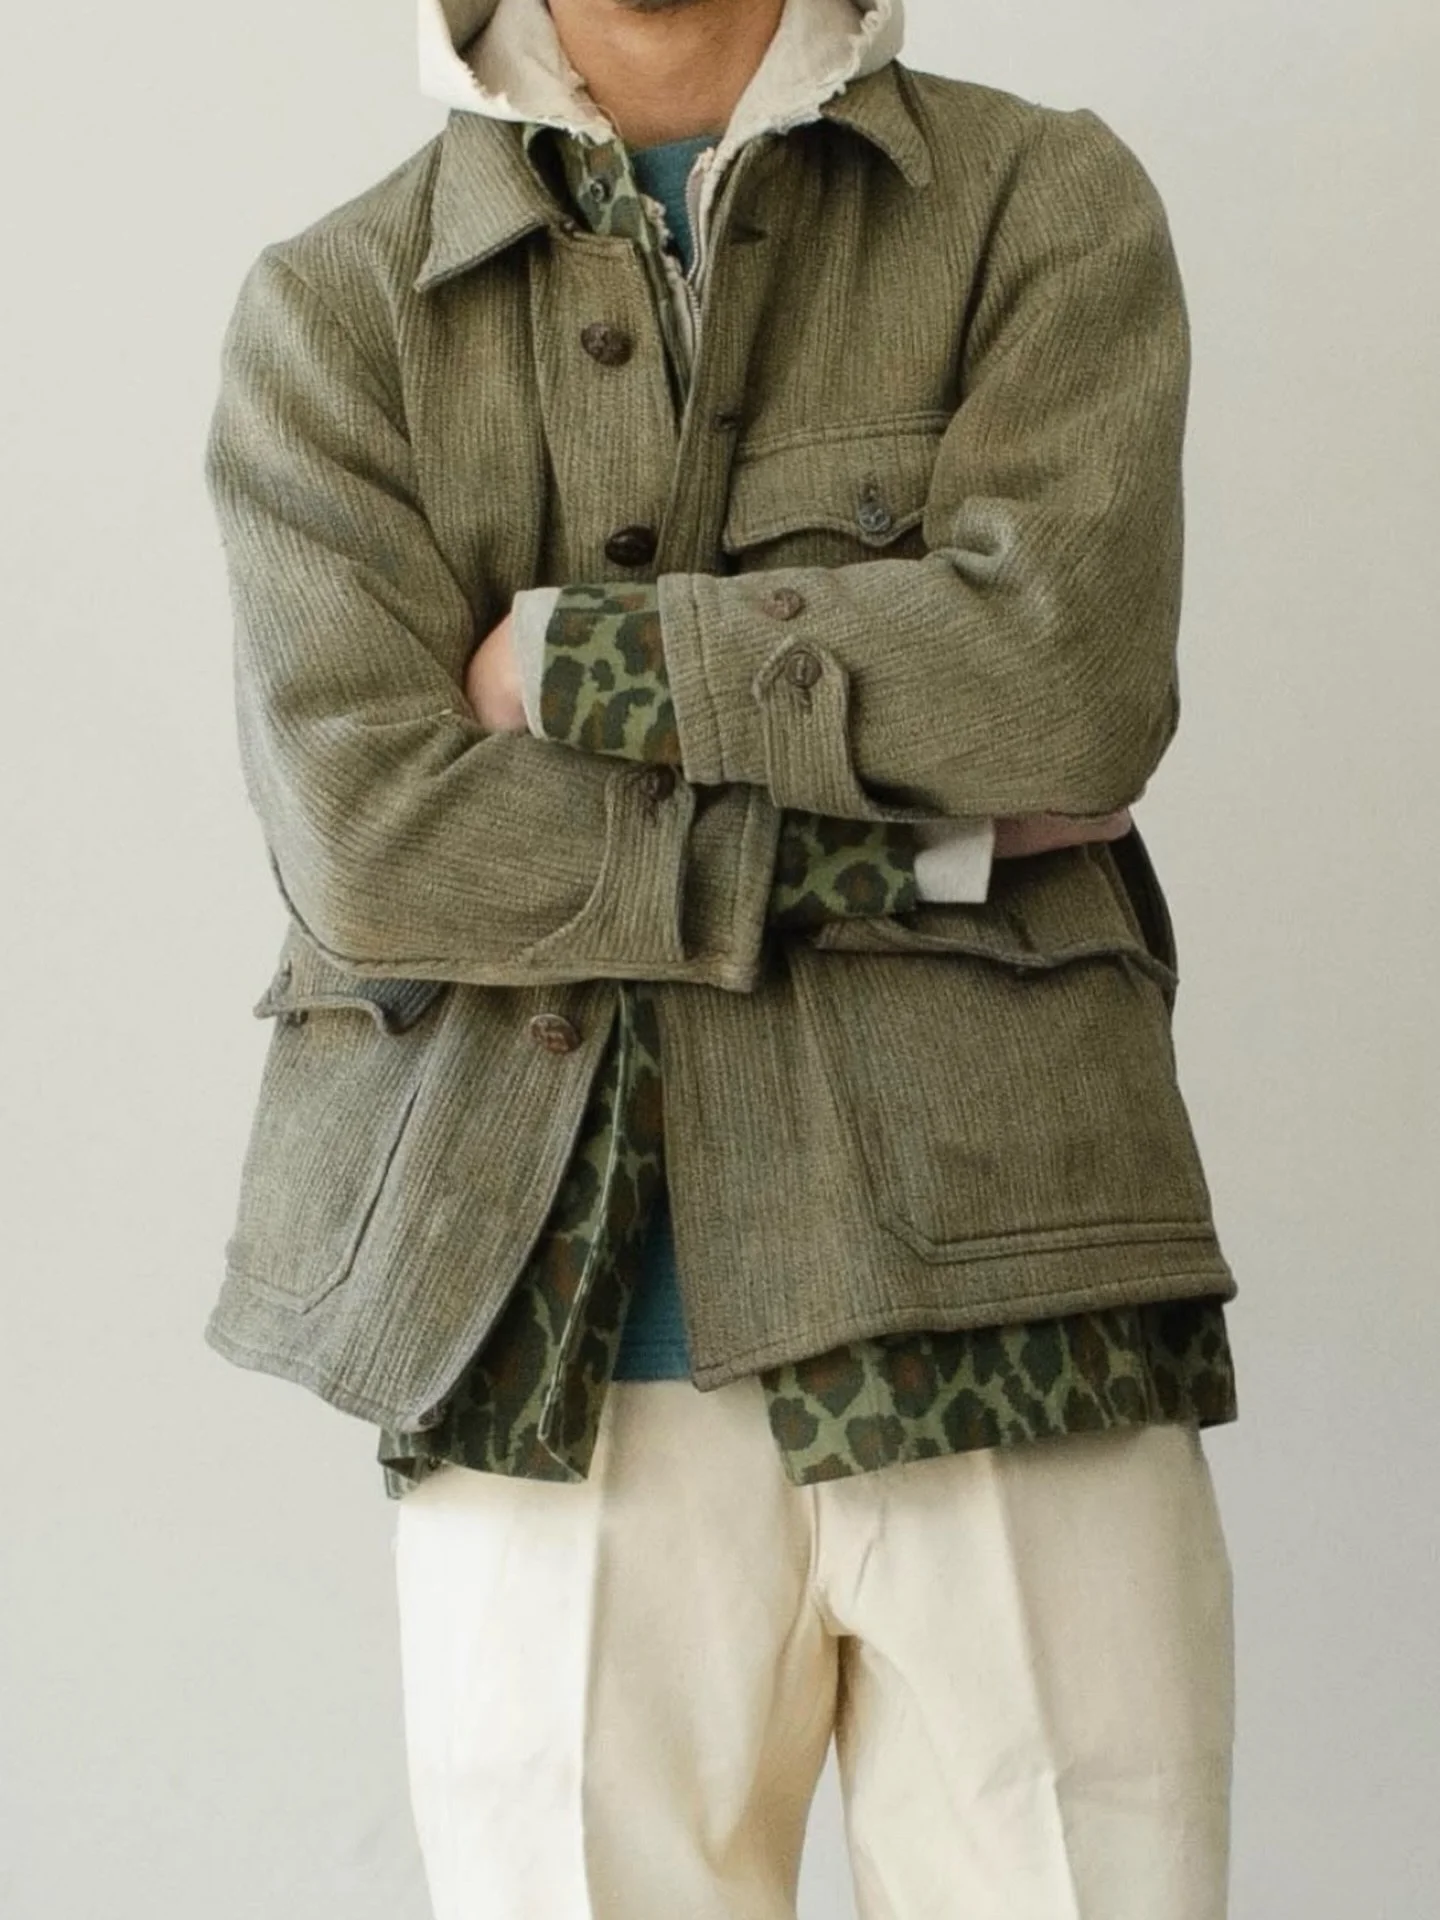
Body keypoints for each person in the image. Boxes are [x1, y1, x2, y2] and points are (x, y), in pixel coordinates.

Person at [202, 1, 1240, 1914]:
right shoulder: (335, 314)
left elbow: (1067, 683)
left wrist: (573, 658)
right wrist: (917, 844)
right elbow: (379, 842)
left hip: (1018, 1311)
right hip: (549, 1355)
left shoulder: (1035, 202)